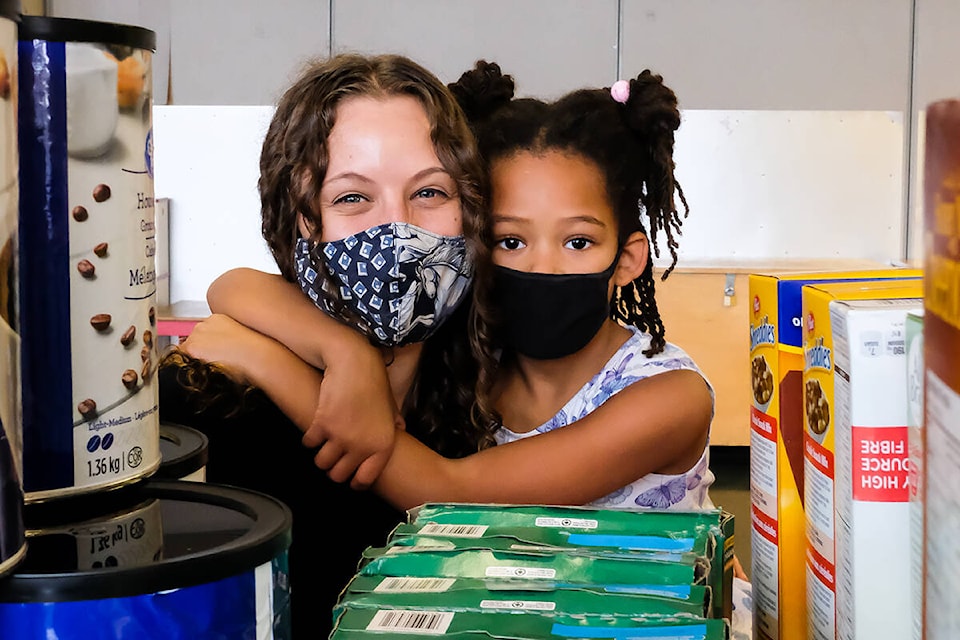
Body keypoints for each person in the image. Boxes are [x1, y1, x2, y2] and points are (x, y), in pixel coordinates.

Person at [189, 61, 716, 512]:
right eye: (510, 241)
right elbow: (234, 286)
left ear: (626, 258)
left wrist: (273, 364)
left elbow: (448, 493)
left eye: (577, 242)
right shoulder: (468, 355)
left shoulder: (671, 396)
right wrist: (348, 354)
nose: (542, 268)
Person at [158, 52, 492, 638]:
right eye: (351, 198)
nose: (399, 229)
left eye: (431, 193)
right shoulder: (205, 414)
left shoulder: (490, 398)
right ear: (297, 220)